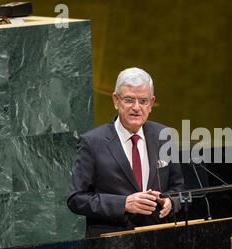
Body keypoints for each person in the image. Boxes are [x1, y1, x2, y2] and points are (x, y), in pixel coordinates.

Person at [67, 67, 184, 237]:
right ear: (116, 100)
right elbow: (76, 199)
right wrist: (123, 203)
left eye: (143, 101)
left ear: (151, 103)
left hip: (159, 240)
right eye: (129, 99)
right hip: (112, 244)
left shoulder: (164, 136)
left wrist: (171, 202)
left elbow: (178, 188)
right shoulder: (92, 142)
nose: (136, 107)